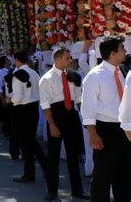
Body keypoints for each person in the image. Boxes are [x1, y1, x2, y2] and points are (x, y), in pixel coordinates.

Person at [82, 36, 129, 201]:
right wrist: (93, 134)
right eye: (122, 48)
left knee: (123, 177)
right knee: (102, 178)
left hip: (124, 130)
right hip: (105, 130)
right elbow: (87, 109)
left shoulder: (123, 71)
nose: (126, 51)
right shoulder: (94, 76)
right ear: (112, 53)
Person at [39, 47, 88, 201]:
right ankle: (52, 190)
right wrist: (52, 125)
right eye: (67, 58)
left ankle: (77, 190)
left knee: (73, 156)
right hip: (55, 116)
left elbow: (79, 100)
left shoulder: (74, 76)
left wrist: (85, 118)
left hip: (71, 116)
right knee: (53, 156)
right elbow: (46, 105)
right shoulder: (46, 79)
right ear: (57, 59)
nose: (71, 60)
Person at [10, 50, 47, 184]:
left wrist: (11, 100)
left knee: (26, 143)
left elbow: (18, 97)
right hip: (34, 108)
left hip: (22, 110)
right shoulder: (34, 73)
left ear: (16, 60)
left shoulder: (17, 74)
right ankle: (45, 168)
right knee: (31, 141)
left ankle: (30, 173)